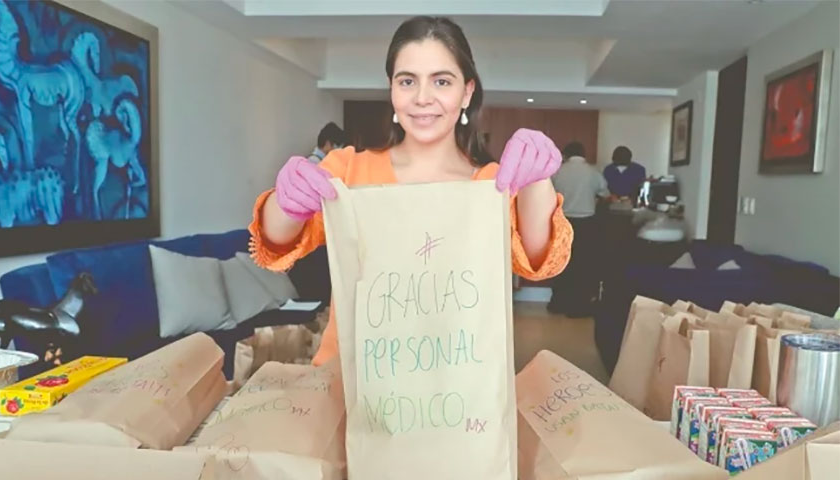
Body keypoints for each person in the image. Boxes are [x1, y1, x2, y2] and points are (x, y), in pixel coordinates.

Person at [249, 16, 573, 366]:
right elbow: (277, 238)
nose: (422, 98)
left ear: (467, 92)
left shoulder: (494, 184)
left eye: (441, 81)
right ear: (392, 89)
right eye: (407, 81)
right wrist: (287, 201)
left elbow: (539, 260)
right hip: (351, 382)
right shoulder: (348, 169)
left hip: (459, 384)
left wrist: (537, 180)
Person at [548, 141, 608, 317]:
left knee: (561, 263)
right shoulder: (593, 172)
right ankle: (579, 305)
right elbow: (604, 193)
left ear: (566, 155)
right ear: (583, 154)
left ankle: (558, 303)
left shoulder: (558, 171)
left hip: (563, 221)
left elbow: (548, 192)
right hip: (587, 223)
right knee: (583, 265)